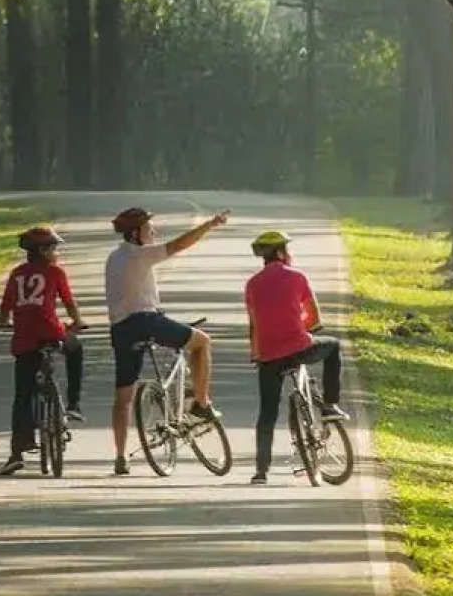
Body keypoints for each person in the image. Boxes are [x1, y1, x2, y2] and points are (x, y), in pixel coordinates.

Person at [104, 205, 231, 476]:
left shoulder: (114, 258)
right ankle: (201, 404)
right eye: (150, 228)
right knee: (202, 342)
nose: (154, 232)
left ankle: (120, 457)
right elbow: (177, 245)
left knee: (123, 396)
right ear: (136, 233)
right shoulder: (139, 254)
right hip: (145, 321)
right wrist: (208, 225)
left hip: (120, 329)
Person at [242, 229, 345, 486]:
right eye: (286, 250)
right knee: (333, 347)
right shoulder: (297, 277)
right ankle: (330, 405)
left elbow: (254, 324)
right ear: (279, 253)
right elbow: (315, 318)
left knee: (267, 412)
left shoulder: (252, 284)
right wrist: (303, 327)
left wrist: (256, 353)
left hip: (267, 356)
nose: (289, 254)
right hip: (299, 347)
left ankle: (261, 471)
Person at [0, 226, 86, 477]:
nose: (56, 253)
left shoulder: (16, 274)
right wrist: (77, 322)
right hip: (51, 332)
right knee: (75, 349)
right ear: (43, 251)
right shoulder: (55, 272)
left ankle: (17, 452)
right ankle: (74, 403)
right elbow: (68, 301)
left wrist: (3, 321)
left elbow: (6, 305)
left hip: (24, 339)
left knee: (22, 395)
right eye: (53, 248)